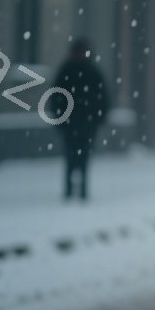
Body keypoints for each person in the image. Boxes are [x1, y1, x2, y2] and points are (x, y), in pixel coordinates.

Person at [52, 39, 111, 201]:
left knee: (83, 156)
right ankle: (70, 190)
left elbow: (102, 98)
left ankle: (82, 189)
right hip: (71, 121)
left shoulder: (91, 72)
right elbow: (56, 96)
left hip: (85, 122)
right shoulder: (67, 71)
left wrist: (98, 118)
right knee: (71, 156)